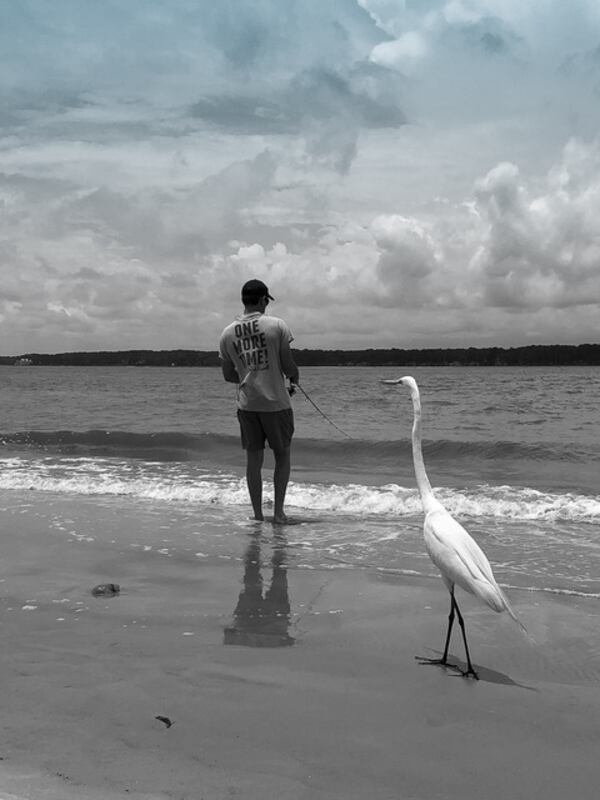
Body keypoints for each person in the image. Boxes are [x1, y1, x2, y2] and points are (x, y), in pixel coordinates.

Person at [219, 279, 299, 524]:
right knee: (282, 456)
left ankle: (257, 515)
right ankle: (278, 513)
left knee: (253, 460)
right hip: (276, 403)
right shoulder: (277, 325)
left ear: (243, 301)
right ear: (264, 300)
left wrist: (247, 376)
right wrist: (294, 378)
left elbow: (228, 375)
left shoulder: (227, 332)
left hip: (247, 405)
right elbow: (287, 364)